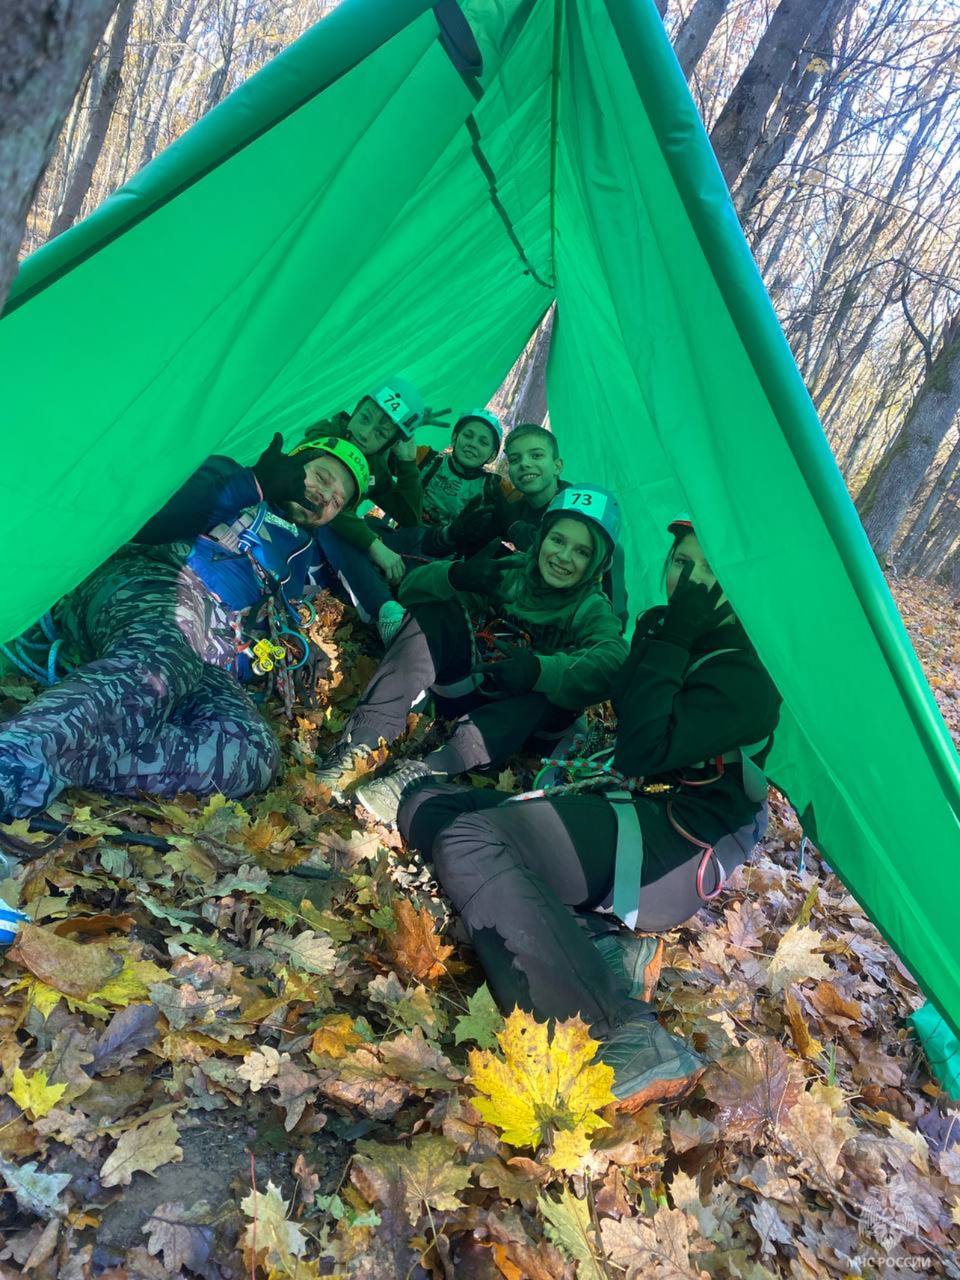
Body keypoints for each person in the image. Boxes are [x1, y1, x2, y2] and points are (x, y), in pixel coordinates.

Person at [391, 517, 782, 1110]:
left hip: (673, 848)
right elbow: (625, 710)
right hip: (630, 809)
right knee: (427, 803)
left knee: (471, 840)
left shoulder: (747, 671)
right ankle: (598, 943)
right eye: (683, 563)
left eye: (713, 571)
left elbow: (643, 749)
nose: (692, 582)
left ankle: (615, 1034)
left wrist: (676, 635)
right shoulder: (660, 627)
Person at [0, 434, 368, 821]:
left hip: (210, 650)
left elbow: (262, 627)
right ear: (297, 460)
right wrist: (255, 483)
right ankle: (14, 764)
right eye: (323, 477)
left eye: (336, 501)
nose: (325, 496)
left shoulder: (298, 553)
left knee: (251, 751)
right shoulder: (230, 475)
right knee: (166, 662)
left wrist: (260, 655)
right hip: (154, 583)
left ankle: (51, 759)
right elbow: (147, 521)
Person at [313, 485, 629, 825]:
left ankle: (427, 772)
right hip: (474, 686)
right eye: (558, 540)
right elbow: (411, 590)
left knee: (547, 695)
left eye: (582, 551)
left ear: (598, 562)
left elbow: (612, 660)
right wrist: (456, 576)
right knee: (438, 613)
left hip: (517, 728)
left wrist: (541, 670)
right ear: (542, 538)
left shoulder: (590, 607)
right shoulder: (510, 573)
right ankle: (361, 743)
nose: (564, 557)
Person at [302, 377, 432, 643]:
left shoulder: (374, 466)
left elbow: (408, 517)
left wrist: (407, 463)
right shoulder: (326, 435)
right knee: (332, 523)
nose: (365, 432)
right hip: (302, 536)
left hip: (335, 557)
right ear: (357, 409)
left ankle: (415, 596)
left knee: (411, 534)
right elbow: (324, 504)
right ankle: (384, 611)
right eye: (364, 418)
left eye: (381, 433)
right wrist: (374, 546)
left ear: (389, 444)